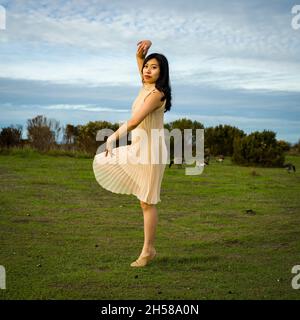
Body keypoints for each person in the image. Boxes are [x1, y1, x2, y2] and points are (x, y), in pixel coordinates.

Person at [92, 40, 172, 267]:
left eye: (154, 67)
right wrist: (140, 55)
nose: (147, 70)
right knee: (143, 201)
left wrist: (112, 137)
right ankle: (149, 249)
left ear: (162, 72)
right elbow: (142, 66)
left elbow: (136, 121)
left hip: (151, 151)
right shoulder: (146, 85)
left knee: (147, 202)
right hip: (139, 148)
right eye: (147, 67)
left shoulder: (157, 94)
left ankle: (148, 251)